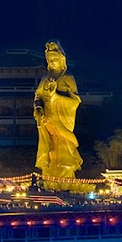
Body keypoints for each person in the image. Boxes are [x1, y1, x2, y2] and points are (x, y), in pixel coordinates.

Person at [34, 40, 82, 179]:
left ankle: (66, 177)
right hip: (47, 119)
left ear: (62, 60)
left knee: (63, 147)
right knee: (50, 149)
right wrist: (38, 108)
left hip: (62, 120)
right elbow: (38, 96)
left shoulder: (67, 78)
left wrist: (56, 97)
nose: (53, 62)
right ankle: (49, 175)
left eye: (55, 59)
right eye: (50, 59)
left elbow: (75, 101)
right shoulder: (45, 78)